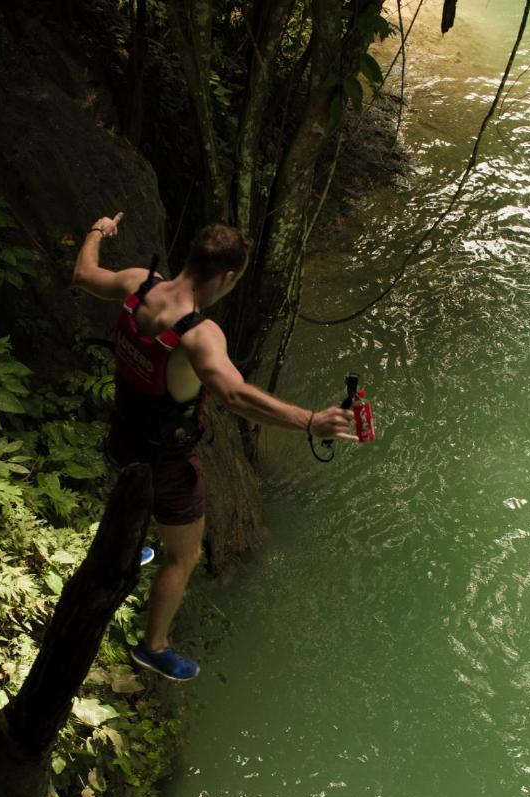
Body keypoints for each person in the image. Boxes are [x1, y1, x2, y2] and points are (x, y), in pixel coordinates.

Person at [72, 213, 355, 681]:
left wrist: (97, 231)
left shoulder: (137, 284)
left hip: (124, 433)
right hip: (168, 457)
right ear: (226, 277)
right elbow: (235, 395)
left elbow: (83, 274)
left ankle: (128, 550)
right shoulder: (200, 335)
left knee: (133, 498)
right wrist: (310, 421)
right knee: (184, 556)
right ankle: (154, 646)